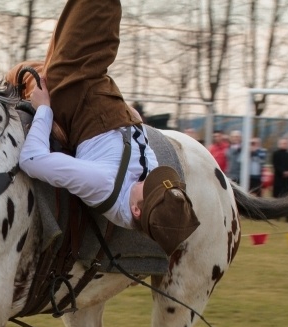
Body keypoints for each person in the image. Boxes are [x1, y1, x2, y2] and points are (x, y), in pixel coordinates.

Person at [17, 0, 199, 254]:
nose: (153, 179)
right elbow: (143, 146)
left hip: (78, 94)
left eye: (152, 186)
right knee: (26, 69)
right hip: (112, 104)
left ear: (136, 209)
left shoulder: (101, 183)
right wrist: (131, 117)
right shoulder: (145, 192)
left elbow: (32, 159)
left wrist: (44, 108)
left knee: (97, 11)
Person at [271, 137, 288, 221]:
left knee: (287, 198)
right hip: (278, 179)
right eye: (283, 143)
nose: (284, 145)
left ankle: (287, 217)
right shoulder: (276, 154)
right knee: (278, 198)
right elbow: (275, 165)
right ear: (279, 144)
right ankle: (277, 216)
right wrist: (283, 172)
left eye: (286, 143)